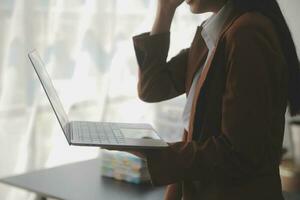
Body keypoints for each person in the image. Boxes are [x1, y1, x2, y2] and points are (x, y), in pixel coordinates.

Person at [106, 0, 300, 199]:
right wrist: (164, 10)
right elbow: (153, 87)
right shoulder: (215, 32)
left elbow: (239, 154)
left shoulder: (246, 33)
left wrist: (155, 153)